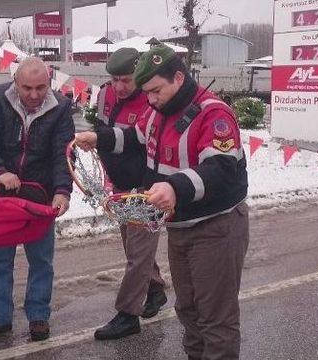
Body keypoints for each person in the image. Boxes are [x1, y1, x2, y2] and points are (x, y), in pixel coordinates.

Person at [76, 45, 249, 359]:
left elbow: (221, 169)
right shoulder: (156, 109)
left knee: (215, 318)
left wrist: (174, 188)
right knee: (188, 310)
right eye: (147, 93)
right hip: (180, 224)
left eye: (156, 91)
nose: (150, 99)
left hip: (216, 227)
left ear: (179, 78)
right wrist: (99, 138)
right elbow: (136, 137)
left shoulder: (214, 114)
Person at [0, 57, 74, 343]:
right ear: (16, 82)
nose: (34, 94)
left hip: (40, 196)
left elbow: (62, 153)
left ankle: (38, 316)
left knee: (41, 261)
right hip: (4, 193)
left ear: (49, 82)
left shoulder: (61, 108)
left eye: (41, 87)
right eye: (27, 87)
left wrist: (62, 191)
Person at [90, 47, 167, 341]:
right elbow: (103, 128)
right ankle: (156, 289)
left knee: (137, 252)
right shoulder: (105, 94)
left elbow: (140, 144)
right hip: (120, 185)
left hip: (147, 187)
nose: (119, 87)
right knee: (133, 247)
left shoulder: (153, 102)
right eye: (114, 80)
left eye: (126, 80)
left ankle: (127, 314)